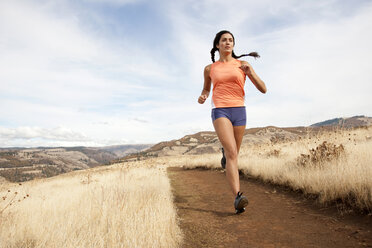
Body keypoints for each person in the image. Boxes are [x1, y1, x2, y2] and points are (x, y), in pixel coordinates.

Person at [198, 30, 267, 214]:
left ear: (233, 45)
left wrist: (250, 72)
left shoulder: (242, 64)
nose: (227, 43)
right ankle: (238, 197)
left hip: (239, 111)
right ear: (217, 45)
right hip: (220, 110)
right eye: (224, 40)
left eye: (230, 40)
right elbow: (206, 89)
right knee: (232, 153)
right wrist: (203, 96)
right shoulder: (209, 69)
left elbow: (263, 89)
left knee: (234, 156)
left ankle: (225, 155)